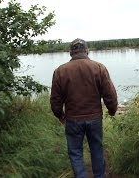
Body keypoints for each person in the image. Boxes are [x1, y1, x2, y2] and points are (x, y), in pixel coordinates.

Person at [50, 38, 118, 178]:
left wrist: (60, 115)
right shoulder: (99, 68)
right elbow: (109, 94)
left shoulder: (60, 71)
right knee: (96, 149)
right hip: (94, 118)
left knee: (75, 153)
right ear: (87, 50)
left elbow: (55, 99)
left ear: (70, 52)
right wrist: (112, 110)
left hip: (73, 120)